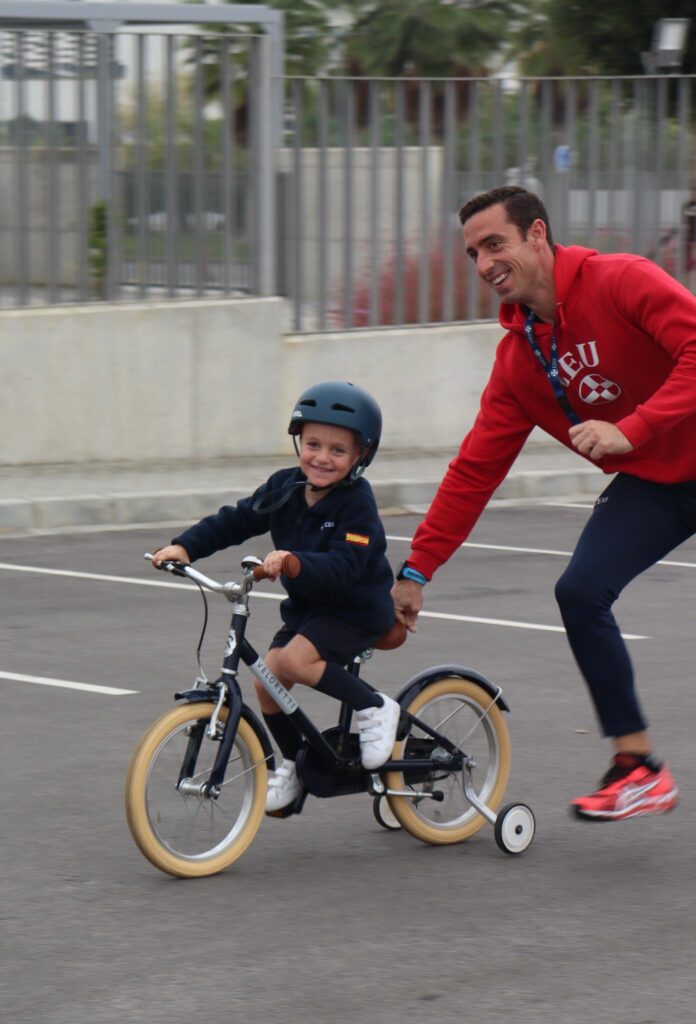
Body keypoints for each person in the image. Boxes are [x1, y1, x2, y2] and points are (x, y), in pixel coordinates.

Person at [393, 184, 694, 822]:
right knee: (580, 591)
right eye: (473, 251)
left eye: (494, 243)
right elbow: (474, 471)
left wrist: (632, 428)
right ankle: (637, 767)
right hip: (661, 485)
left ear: (537, 234)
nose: (483, 263)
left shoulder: (620, 281)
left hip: (658, 448)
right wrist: (418, 568)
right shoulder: (518, 363)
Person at [152, 381, 400, 814]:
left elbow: (345, 567)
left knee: (291, 662)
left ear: (362, 455)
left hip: (355, 610)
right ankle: (293, 765)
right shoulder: (286, 487)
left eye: (338, 450)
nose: (322, 458)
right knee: (266, 681)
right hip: (310, 610)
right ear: (298, 441)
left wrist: (292, 563)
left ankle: (375, 706)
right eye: (313, 444)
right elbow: (238, 519)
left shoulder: (357, 504)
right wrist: (186, 547)